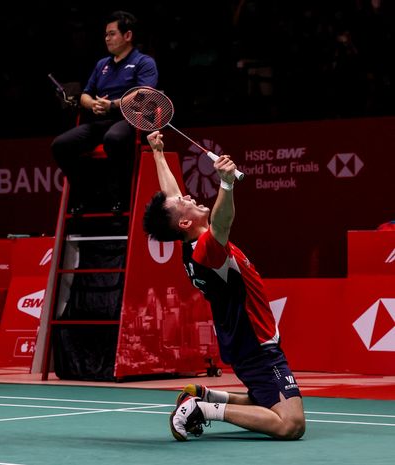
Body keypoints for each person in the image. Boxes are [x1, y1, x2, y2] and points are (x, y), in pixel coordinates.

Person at [142, 131, 305, 441]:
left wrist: (158, 153)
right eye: (184, 202)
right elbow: (222, 222)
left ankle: (206, 396)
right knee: (291, 424)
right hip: (257, 346)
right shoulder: (207, 250)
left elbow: (171, 197)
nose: (188, 196)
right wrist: (226, 183)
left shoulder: (191, 244)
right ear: (185, 224)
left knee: (266, 402)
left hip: (247, 343)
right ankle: (201, 410)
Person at [51, 10, 158, 214]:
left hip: (130, 121)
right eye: (106, 34)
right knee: (61, 145)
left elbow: (144, 93)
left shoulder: (144, 62)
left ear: (128, 36)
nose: (107, 38)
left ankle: (121, 197)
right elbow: (85, 94)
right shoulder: (102, 65)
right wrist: (92, 104)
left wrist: (114, 104)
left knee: (114, 138)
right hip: (100, 121)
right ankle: (86, 195)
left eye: (112, 33)